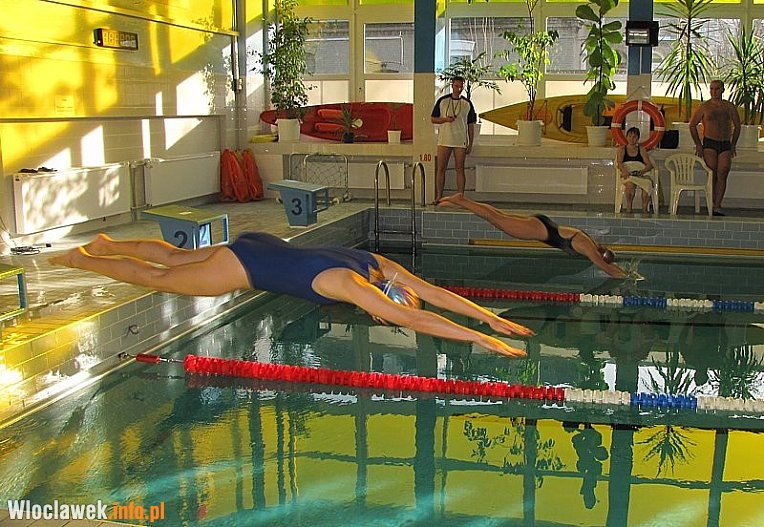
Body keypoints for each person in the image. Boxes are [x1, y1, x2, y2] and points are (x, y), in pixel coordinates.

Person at [49, 232, 533, 357]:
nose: (385, 316)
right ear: (383, 308)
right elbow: (417, 318)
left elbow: (433, 295)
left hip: (259, 244)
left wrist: (487, 317)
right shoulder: (349, 286)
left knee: (175, 258)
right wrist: (479, 337)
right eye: (386, 314)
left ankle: (106, 244)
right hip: (242, 268)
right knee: (159, 278)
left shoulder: (377, 265)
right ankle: (81, 259)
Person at [437, 194, 627, 278]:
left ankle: (458, 203)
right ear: (601, 254)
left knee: (498, 215)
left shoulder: (592, 242)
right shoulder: (588, 247)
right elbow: (606, 268)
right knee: (494, 218)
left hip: (541, 224)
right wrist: (626, 275)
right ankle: (461, 200)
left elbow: (605, 262)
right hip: (538, 230)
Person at [689, 80, 741, 217]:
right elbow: (692, 125)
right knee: (712, 173)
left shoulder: (729, 107)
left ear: (723, 90)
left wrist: (733, 144)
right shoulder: (704, 107)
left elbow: (737, 126)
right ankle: (712, 203)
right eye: (711, 89)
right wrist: (698, 144)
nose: (714, 92)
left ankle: (717, 205)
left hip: (725, 143)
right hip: (709, 143)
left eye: (717, 89)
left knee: (723, 172)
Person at [431, 76, 477, 203]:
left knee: (460, 169)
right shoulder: (443, 101)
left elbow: (471, 125)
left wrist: (470, 143)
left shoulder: (467, 103)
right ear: (452, 86)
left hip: (460, 140)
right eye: (457, 86)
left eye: (461, 86)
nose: (459, 89)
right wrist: (445, 119)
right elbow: (433, 119)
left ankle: (460, 197)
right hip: (444, 139)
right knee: (441, 168)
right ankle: (439, 196)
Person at [615, 127, 656, 213]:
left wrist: (641, 172)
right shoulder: (622, 149)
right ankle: (629, 207)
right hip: (628, 174)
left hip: (640, 174)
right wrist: (625, 171)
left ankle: (644, 208)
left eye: (634, 137)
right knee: (630, 184)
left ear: (638, 138)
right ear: (626, 137)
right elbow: (619, 163)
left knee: (647, 184)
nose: (632, 139)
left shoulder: (641, 149)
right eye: (630, 136)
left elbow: (649, 165)